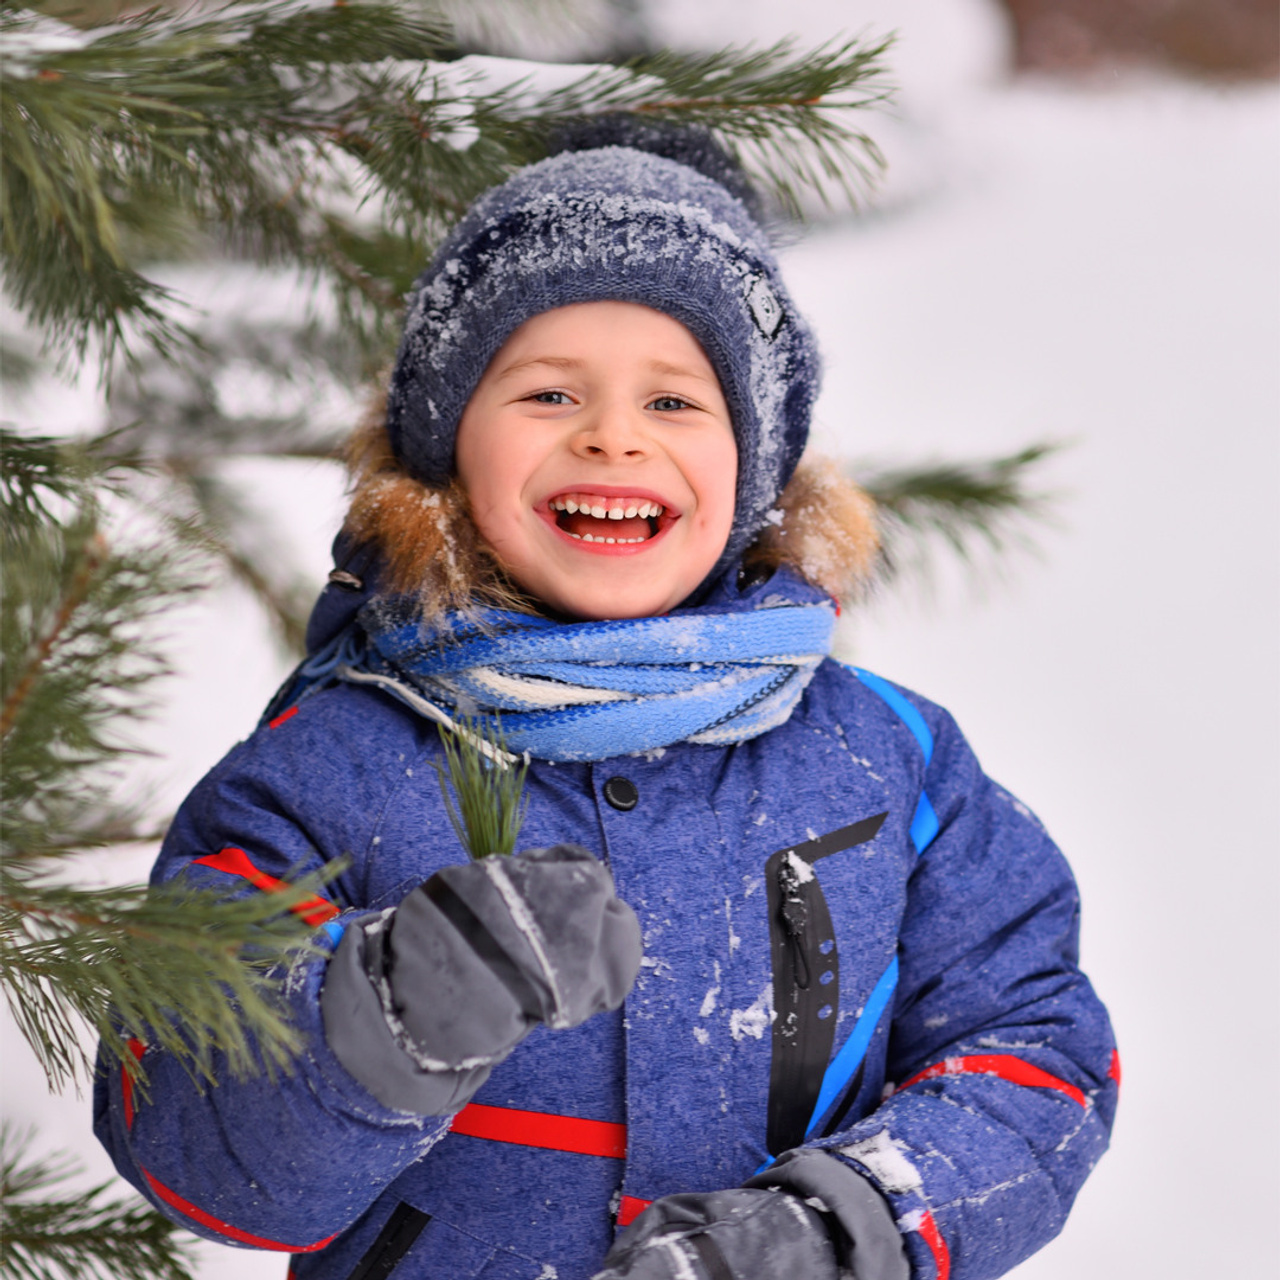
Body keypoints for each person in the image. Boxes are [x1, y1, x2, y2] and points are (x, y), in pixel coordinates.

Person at [95, 122, 1119, 1280]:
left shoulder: (888, 757)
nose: (611, 433)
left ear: (758, 463)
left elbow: (1033, 1052)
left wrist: (845, 1224)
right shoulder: (327, 768)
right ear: (445, 449)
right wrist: (384, 1014)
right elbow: (192, 1143)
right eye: (546, 391)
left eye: (676, 401)